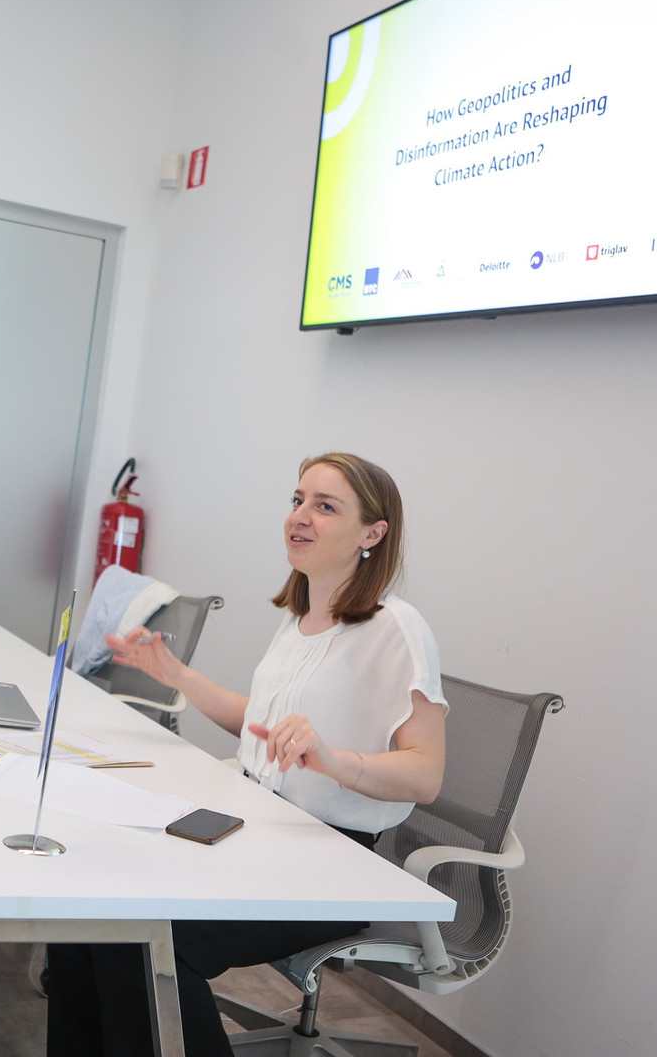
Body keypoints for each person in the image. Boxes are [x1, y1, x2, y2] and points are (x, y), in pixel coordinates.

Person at [45, 452, 448, 1057]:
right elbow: (258, 725)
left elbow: (426, 774)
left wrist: (335, 760)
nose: (300, 516)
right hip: (258, 828)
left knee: (148, 942)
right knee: (86, 905)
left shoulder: (397, 627)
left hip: (331, 860)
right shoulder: (301, 619)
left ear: (373, 533)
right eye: (298, 500)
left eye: (325, 506)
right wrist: (176, 673)